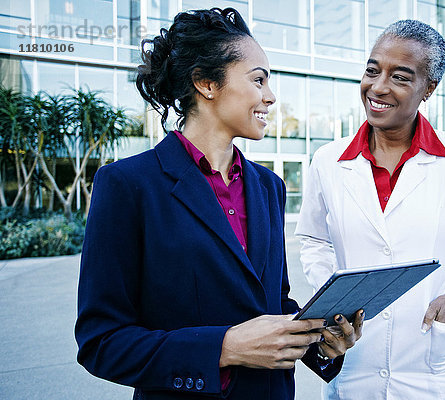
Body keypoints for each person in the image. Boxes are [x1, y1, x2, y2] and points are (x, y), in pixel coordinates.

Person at [74, 8, 363, 400]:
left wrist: (322, 342)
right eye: (258, 79)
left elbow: (273, 303)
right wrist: (224, 348)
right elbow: (102, 342)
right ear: (206, 83)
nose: (271, 96)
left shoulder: (268, 187)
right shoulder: (127, 185)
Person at [295, 19, 445, 399]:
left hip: (437, 366)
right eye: (372, 71)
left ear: (428, 88)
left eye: (400, 77)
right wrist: (336, 298)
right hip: (355, 361)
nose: (378, 87)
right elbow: (313, 239)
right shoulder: (327, 160)